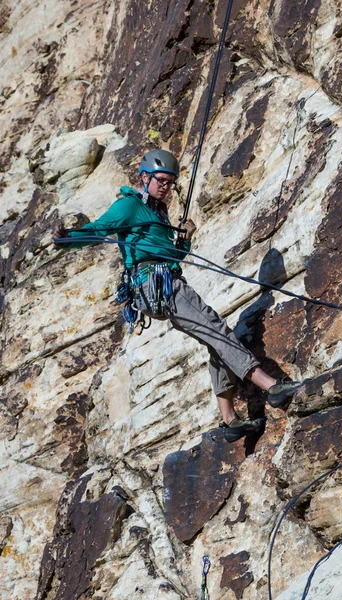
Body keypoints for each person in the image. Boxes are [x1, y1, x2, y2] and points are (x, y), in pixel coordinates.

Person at [54, 149, 301, 442]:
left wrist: (184, 240)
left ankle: (230, 420)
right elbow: (99, 230)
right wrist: (66, 239)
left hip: (161, 282)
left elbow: (174, 256)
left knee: (213, 340)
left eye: (170, 182)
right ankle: (271, 386)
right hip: (157, 284)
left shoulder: (158, 211)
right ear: (144, 177)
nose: (165, 187)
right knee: (216, 329)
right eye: (160, 180)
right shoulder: (128, 206)